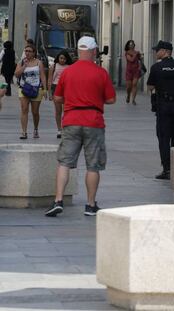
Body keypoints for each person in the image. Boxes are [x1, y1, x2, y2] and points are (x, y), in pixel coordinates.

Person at [44, 36, 116, 217]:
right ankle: (91, 205)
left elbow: (58, 97)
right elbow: (111, 99)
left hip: (71, 120)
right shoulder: (101, 73)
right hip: (94, 121)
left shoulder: (68, 72)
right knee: (93, 166)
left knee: (64, 163)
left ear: (77, 51)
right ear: (93, 51)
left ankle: (58, 200)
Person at [147, 40, 174, 180]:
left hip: (164, 106)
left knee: (164, 138)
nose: (155, 52)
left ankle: (167, 169)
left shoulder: (156, 67)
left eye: (157, 50)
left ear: (165, 51)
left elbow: (150, 86)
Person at [14, 44, 47, 139]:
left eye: (29, 51)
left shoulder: (38, 63)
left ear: (34, 52)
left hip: (36, 89)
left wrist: (45, 89)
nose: (27, 53)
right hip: (23, 89)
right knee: (24, 109)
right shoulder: (21, 62)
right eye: (26, 51)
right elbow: (16, 74)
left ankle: (36, 129)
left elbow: (43, 76)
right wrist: (24, 66)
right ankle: (24, 132)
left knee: (35, 112)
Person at [48, 50, 73, 138]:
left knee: (66, 110)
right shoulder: (54, 66)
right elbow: (50, 80)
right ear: (58, 58)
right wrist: (49, 93)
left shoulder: (70, 67)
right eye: (61, 58)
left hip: (67, 89)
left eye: (64, 59)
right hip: (56, 87)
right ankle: (59, 129)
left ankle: (66, 128)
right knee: (58, 110)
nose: (62, 60)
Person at [124, 40, 142, 105]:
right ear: (128, 45)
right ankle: (128, 95)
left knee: (134, 84)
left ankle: (133, 99)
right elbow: (131, 60)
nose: (131, 45)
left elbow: (140, 60)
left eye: (132, 44)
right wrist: (135, 54)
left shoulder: (137, 52)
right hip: (129, 71)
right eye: (130, 44)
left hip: (136, 70)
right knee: (129, 86)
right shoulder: (127, 53)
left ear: (134, 45)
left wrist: (140, 65)